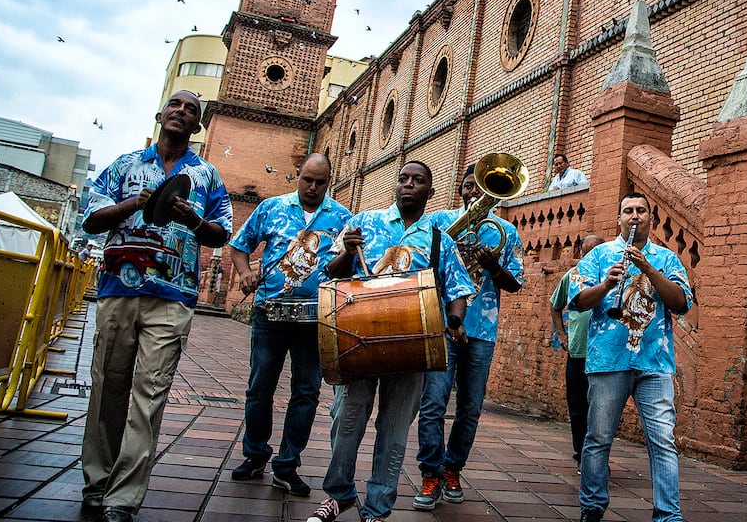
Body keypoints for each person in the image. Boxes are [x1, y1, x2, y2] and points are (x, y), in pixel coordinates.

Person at [79, 91, 232, 522]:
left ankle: (123, 498)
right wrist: (136, 203)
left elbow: (222, 233)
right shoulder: (125, 165)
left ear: (198, 126)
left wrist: (193, 221)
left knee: (149, 397)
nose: (182, 112)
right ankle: (97, 482)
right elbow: (90, 219)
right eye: (176, 105)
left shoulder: (207, 177)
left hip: (172, 299)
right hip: (117, 291)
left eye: (191, 111)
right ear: (160, 115)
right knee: (108, 388)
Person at [306, 161, 475, 522]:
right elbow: (330, 273)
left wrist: (455, 321)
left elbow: (458, 288)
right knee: (346, 420)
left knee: (395, 429)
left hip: (413, 345)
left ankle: (378, 509)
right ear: (395, 186)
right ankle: (339, 495)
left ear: (430, 191)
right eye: (403, 179)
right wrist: (349, 253)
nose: (408, 185)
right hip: (359, 339)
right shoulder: (364, 223)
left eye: (418, 181)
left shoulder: (438, 237)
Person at [227, 153, 350, 497]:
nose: (312, 187)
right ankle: (254, 456)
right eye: (307, 180)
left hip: (315, 319)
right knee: (259, 387)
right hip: (269, 314)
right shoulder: (271, 208)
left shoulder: (342, 218)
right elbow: (239, 246)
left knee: (307, 393)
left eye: (320, 182)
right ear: (298, 176)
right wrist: (245, 272)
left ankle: (287, 464)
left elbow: (346, 268)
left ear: (329, 181)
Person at [569, 191, 692, 522]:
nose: (634, 216)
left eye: (641, 211)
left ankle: (668, 514)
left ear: (650, 218)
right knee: (598, 438)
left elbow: (681, 303)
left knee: (663, 441)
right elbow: (578, 301)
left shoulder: (666, 258)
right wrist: (607, 284)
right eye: (628, 211)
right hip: (609, 361)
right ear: (618, 218)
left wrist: (648, 269)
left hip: (654, 364)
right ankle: (592, 506)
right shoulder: (597, 256)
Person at [413, 164, 526, 510]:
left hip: (482, 331)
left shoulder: (505, 232)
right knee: (433, 403)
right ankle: (430, 472)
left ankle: (452, 468)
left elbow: (516, 283)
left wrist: (492, 266)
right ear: (460, 189)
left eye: (479, 188)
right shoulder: (439, 223)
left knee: (470, 409)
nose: (473, 193)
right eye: (467, 187)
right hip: (442, 324)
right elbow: (420, 266)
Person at [549, 234, 605, 467]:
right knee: (578, 408)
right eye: (587, 252)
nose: (590, 256)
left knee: (601, 410)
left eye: (595, 252)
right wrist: (562, 335)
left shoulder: (609, 277)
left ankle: (598, 457)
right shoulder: (572, 276)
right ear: (580, 253)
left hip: (604, 355)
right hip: (578, 352)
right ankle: (581, 454)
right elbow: (555, 305)